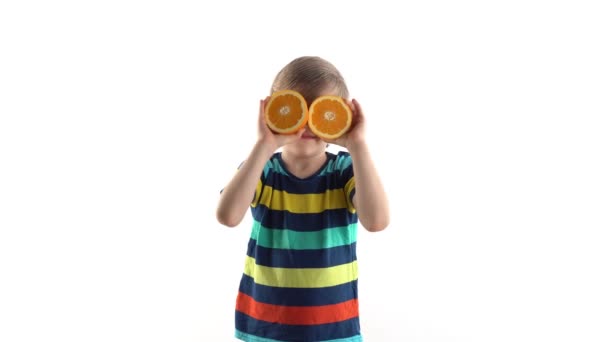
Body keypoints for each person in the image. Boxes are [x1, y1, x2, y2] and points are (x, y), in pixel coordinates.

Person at [216, 56, 390, 342]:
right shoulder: (263, 170)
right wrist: (265, 143)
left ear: (341, 115)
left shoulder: (345, 170)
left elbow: (377, 221)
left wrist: (358, 145)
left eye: (321, 110)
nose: (308, 121)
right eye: (298, 107)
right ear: (274, 109)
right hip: (264, 326)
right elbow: (227, 216)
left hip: (333, 328)